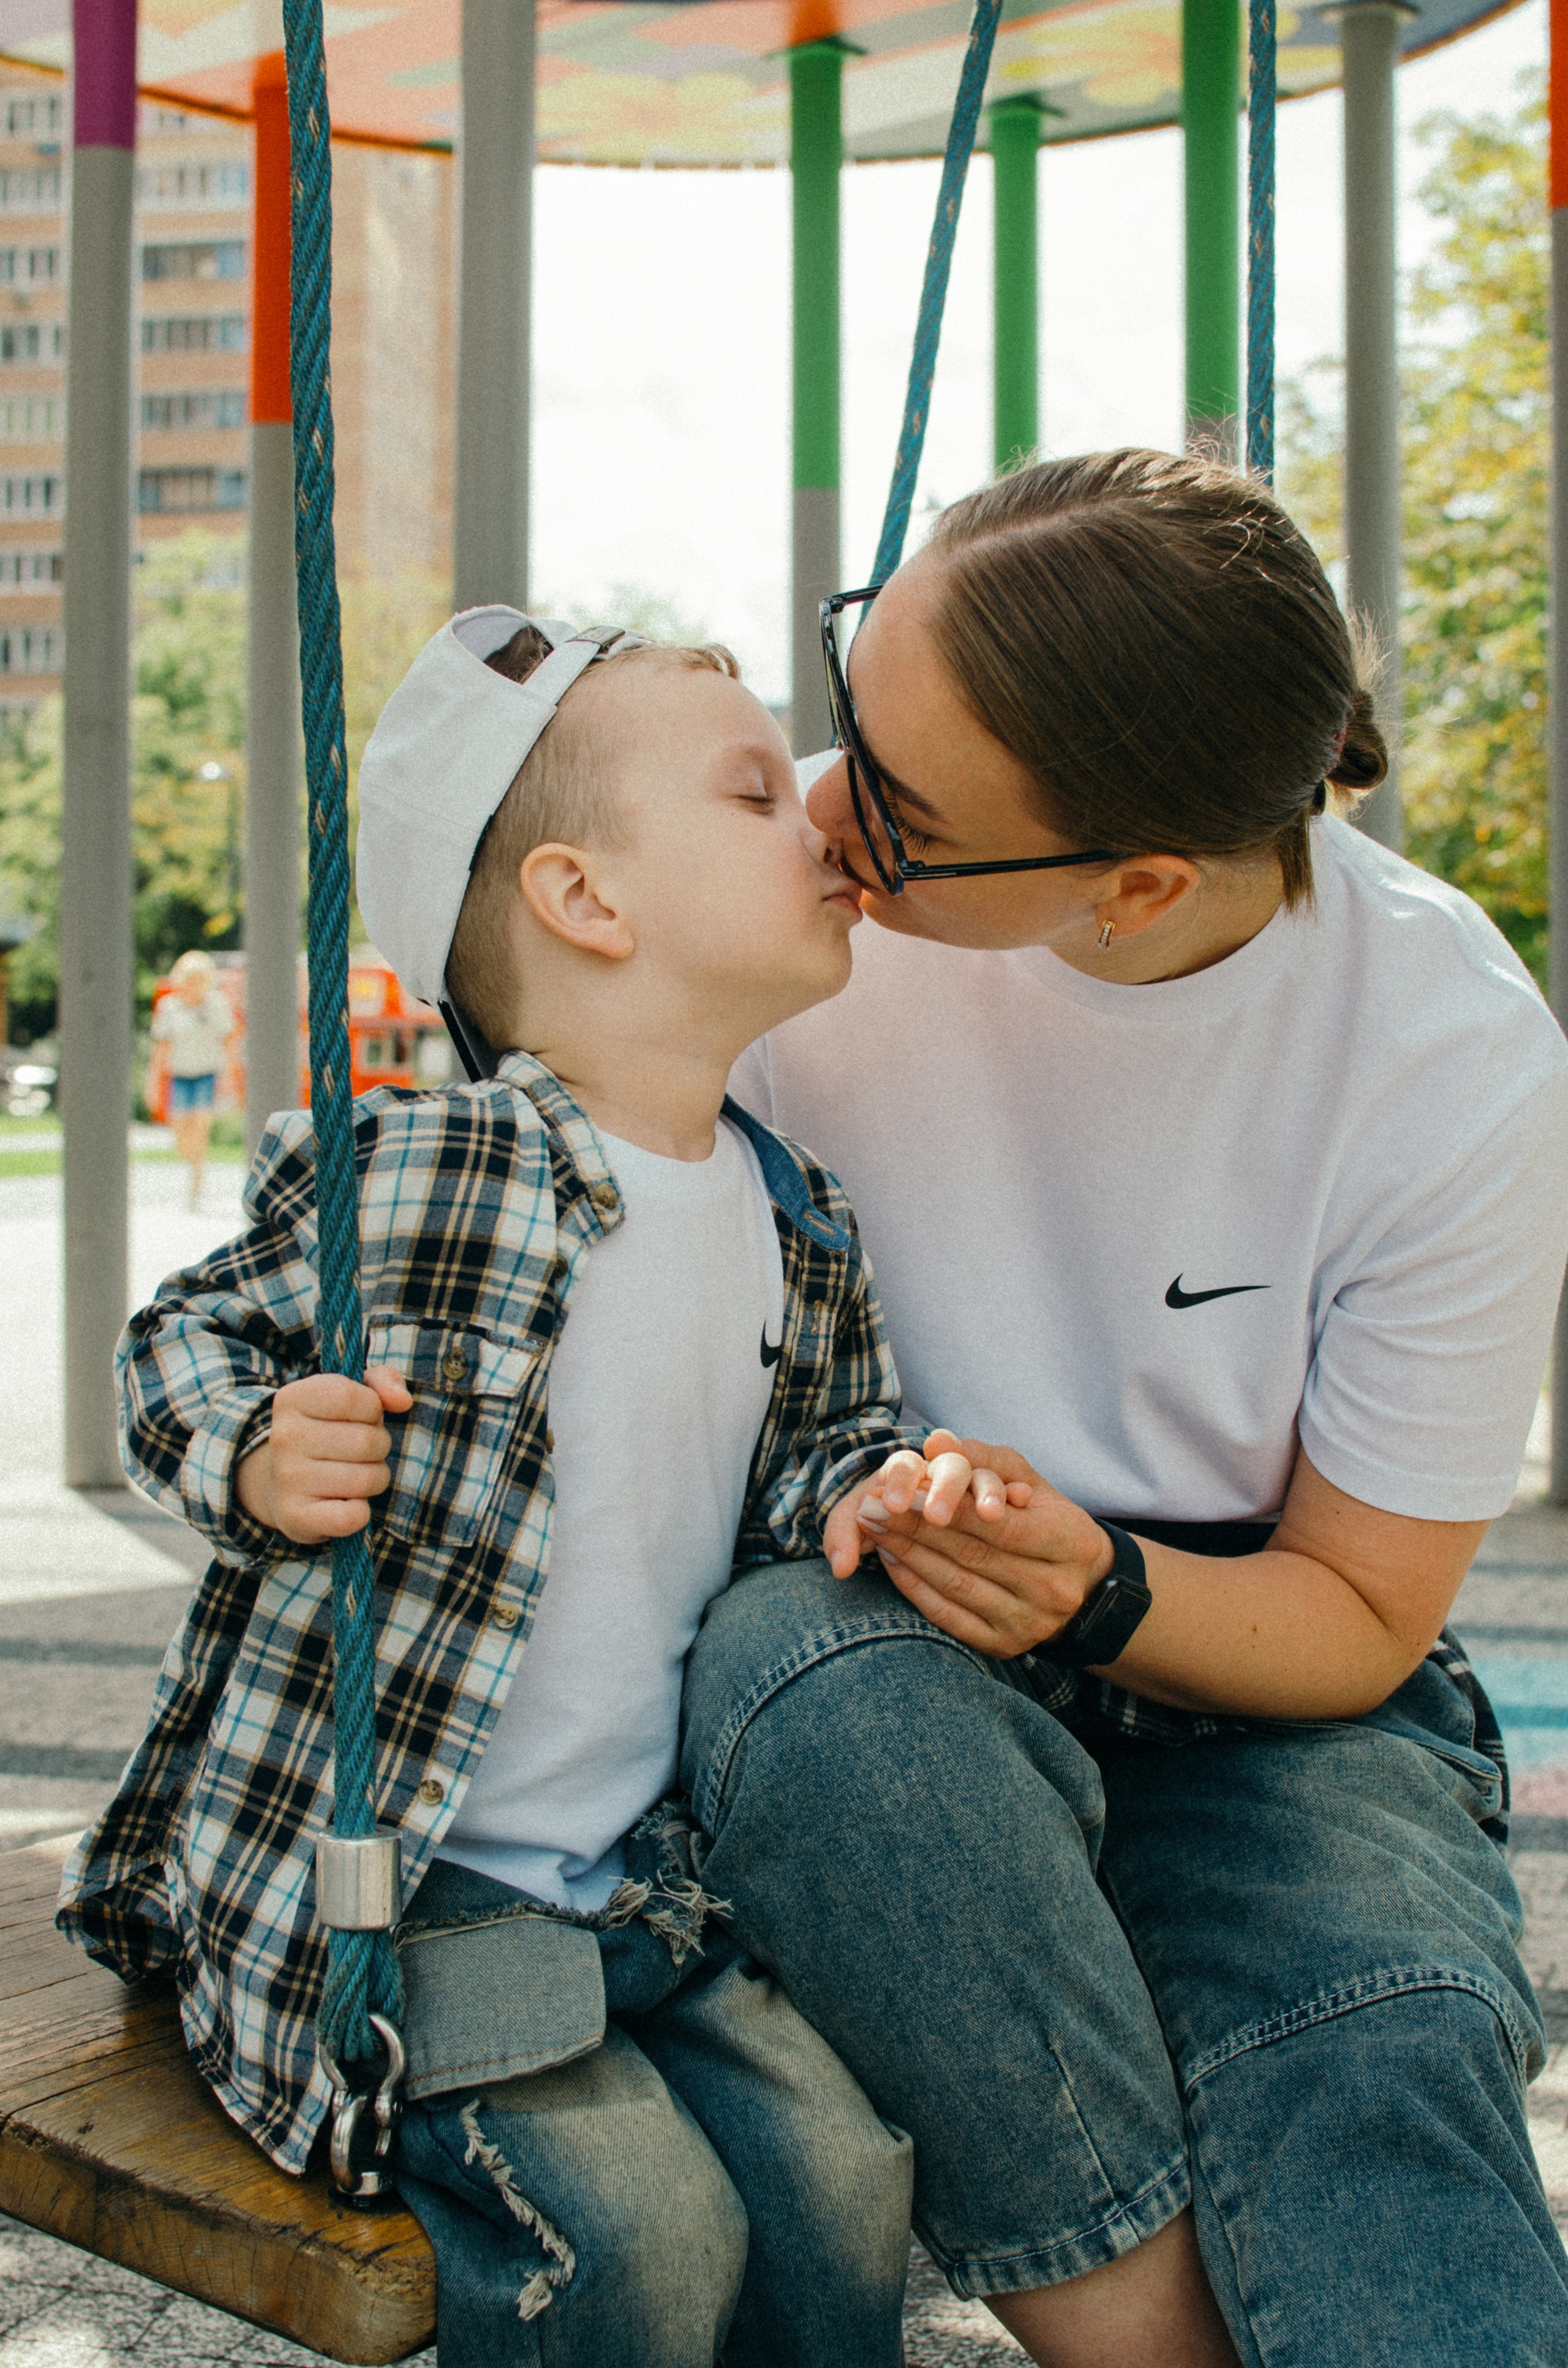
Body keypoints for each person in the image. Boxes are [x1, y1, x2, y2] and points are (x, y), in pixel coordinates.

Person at [679, 450, 1568, 2368]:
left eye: (899, 808)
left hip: (1262, 1653)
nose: (824, 814)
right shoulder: (781, 928)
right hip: (868, 1621)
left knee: (1377, 2035)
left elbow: (1358, 1609)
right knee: (805, 1690)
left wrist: (1097, 1587)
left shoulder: (1446, 1049)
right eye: (846, 694)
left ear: (1138, 882)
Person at [58, 606, 943, 2368]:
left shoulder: (798, 1207)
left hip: (640, 1875)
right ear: (585, 903)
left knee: (849, 2192)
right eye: (760, 792)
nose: (825, 818)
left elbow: (815, 1455)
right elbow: (178, 1341)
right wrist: (253, 1445)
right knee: (635, 2242)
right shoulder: (441, 1159)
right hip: (405, 1872)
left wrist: (887, 1491)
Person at [149, 947, 234, 1208]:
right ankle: (194, 1164)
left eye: (198, 980)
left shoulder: (216, 1005)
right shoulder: (170, 1007)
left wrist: (230, 1077)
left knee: (200, 1124)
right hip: (180, 1075)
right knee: (180, 1130)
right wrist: (153, 1081)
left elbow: (228, 1041)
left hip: (206, 1074)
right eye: (189, 980)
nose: (193, 986)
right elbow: (161, 1047)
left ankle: (197, 1179)